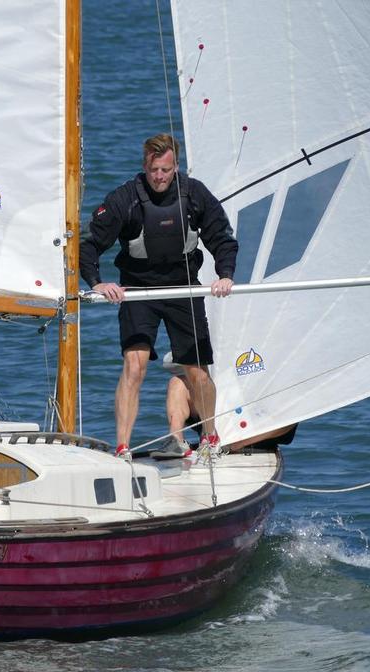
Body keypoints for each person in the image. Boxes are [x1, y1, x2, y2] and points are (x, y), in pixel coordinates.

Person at [79, 133, 238, 458]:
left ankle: (210, 437)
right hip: (138, 291)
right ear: (145, 167)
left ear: (175, 166)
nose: (160, 177)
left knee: (195, 369)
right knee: (134, 365)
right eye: (154, 170)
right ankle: (122, 446)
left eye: (166, 170)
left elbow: (222, 237)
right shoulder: (125, 198)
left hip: (184, 288)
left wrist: (225, 275)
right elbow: (89, 243)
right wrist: (96, 282)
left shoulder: (194, 194)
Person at [160, 356, 297, 455]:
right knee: (177, 382)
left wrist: (236, 444)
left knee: (290, 414)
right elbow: (169, 362)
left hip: (257, 436)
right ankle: (175, 440)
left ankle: (235, 443)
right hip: (213, 422)